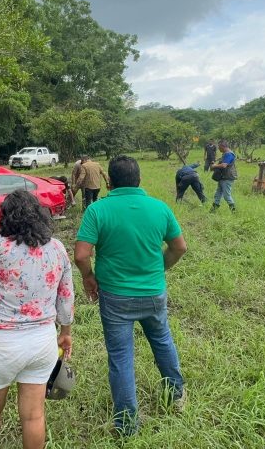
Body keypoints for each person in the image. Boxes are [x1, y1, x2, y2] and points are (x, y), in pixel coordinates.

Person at [74, 155, 188, 436]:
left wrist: (89, 277)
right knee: (162, 341)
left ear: (110, 182)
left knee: (121, 357)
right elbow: (179, 247)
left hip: (115, 296)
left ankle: (126, 425)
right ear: (139, 180)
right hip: (153, 293)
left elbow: (81, 255)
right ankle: (176, 397)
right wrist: (159, 268)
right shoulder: (159, 208)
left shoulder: (97, 210)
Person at [0, 190, 75, 449]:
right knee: (33, 416)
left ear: (6, 219)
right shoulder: (57, 248)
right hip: (42, 340)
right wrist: (65, 332)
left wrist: (2, 231)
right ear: (40, 216)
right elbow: (66, 295)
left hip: (1, 343)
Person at [209, 140, 237, 212]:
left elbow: (224, 165)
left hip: (227, 177)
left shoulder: (229, 154)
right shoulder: (225, 154)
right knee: (217, 194)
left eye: (219, 147)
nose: (218, 148)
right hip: (223, 177)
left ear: (223, 146)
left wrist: (214, 166)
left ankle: (234, 212)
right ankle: (212, 211)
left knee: (227, 196)